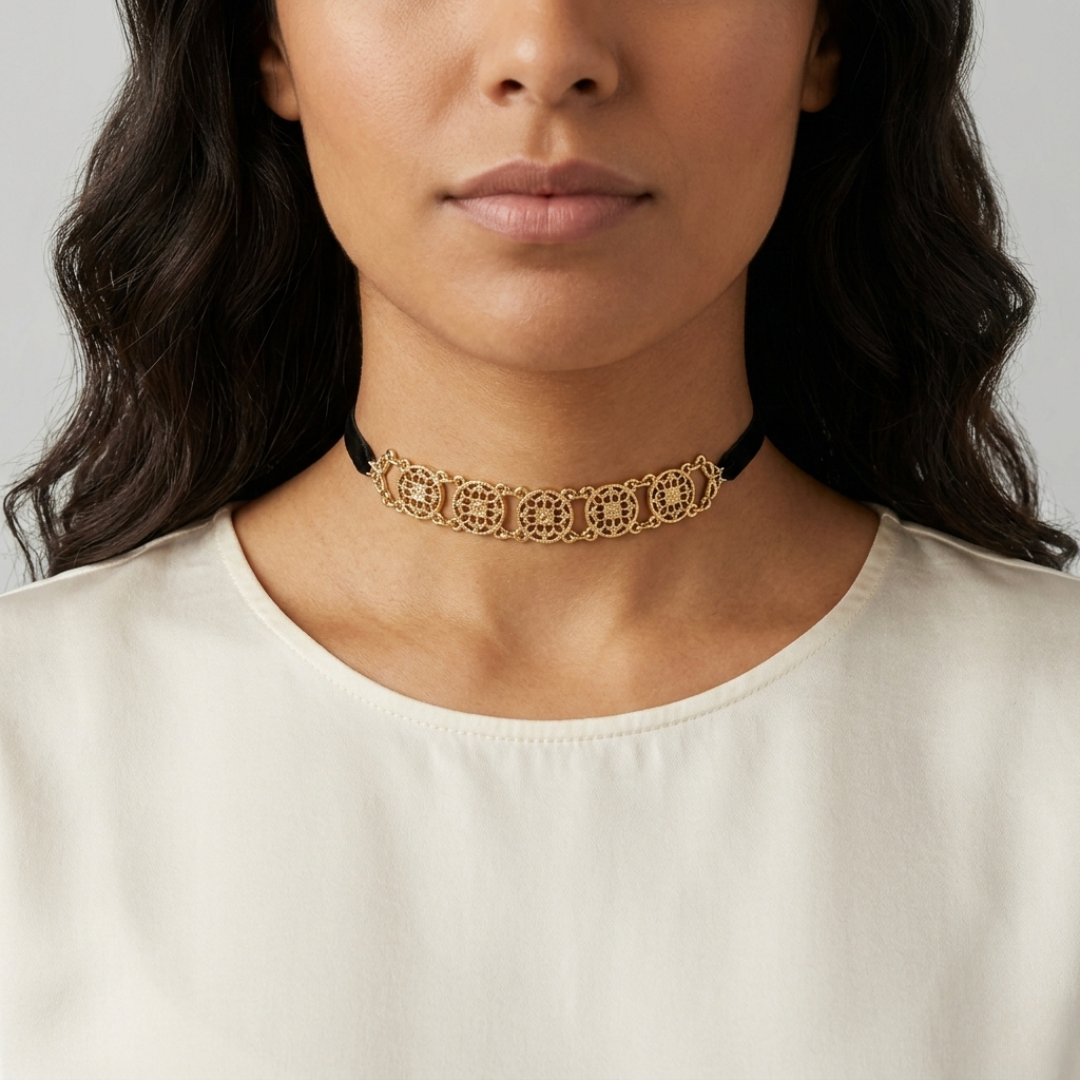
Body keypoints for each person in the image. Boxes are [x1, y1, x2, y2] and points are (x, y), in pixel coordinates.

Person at [2, 0, 1078, 1075]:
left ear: (829, 35)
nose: (547, 53)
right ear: (267, 42)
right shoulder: (31, 749)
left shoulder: (1050, 745)